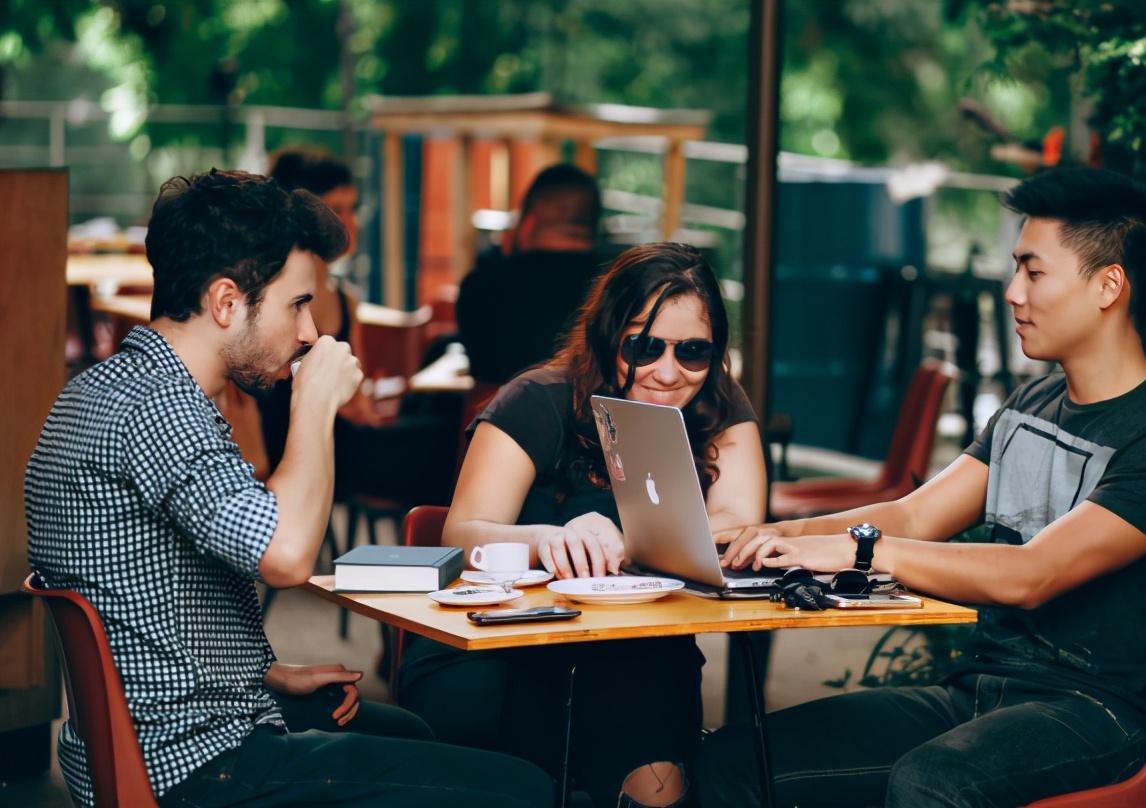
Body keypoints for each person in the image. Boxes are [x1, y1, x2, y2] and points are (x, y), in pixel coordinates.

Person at [25, 169, 552, 808]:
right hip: (198, 768)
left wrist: (262, 676)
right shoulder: (160, 409)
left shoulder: (101, 390)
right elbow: (286, 556)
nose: (308, 332)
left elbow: (137, 598)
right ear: (226, 302)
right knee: (522, 788)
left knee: (411, 730)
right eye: (297, 303)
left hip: (152, 740)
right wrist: (314, 404)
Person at [700, 167, 1146, 807]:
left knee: (933, 781)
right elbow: (916, 515)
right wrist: (773, 536)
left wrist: (863, 550)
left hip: (1094, 713)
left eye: (1034, 271)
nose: (1012, 292)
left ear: (1109, 286)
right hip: (977, 692)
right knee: (732, 759)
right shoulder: (1034, 402)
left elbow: (1032, 574)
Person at [397, 242, 768, 807]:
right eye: (644, 348)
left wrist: (638, 541)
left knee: (647, 677)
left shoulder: (716, 402)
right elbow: (462, 532)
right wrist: (547, 541)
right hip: (503, 645)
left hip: (632, 649)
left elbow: (737, 522)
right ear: (606, 334)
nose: (669, 373)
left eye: (694, 351)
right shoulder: (537, 399)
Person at [259, 145, 456, 507]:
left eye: (352, 208)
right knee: (446, 440)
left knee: (444, 422)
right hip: (298, 442)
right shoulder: (269, 295)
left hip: (342, 439)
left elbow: (358, 399)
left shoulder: (345, 300)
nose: (349, 222)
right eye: (336, 209)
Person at [456, 162, 606, 385]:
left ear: (529, 219)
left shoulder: (481, 285)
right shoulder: (616, 285)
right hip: (590, 416)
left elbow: (482, 371)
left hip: (496, 416)